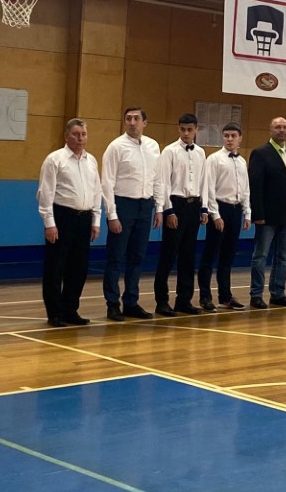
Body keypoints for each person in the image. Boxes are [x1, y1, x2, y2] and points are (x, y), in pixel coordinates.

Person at [37, 118, 102, 327]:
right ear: (66, 136)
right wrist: (49, 223)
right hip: (62, 216)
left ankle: (70, 310)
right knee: (56, 266)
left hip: (84, 218)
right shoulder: (55, 160)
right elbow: (45, 193)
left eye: (83, 134)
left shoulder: (91, 161)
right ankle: (55, 313)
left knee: (79, 267)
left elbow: (97, 191)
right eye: (76, 134)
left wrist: (96, 220)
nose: (80, 138)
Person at [101, 107, 162, 322]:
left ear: (145, 122)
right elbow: (107, 182)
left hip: (146, 206)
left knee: (137, 256)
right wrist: (112, 214)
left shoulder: (153, 146)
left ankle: (131, 302)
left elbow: (157, 178)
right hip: (123, 205)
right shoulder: (116, 147)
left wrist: (159, 208)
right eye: (128, 119)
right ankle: (112, 304)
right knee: (116, 257)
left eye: (136, 119)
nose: (132, 122)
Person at [153, 114, 208, 316]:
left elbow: (203, 181)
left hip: (194, 206)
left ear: (196, 130)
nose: (186, 133)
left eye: (190, 129)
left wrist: (204, 208)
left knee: (188, 255)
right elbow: (163, 182)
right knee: (168, 255)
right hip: (176, 205)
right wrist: (168, 210)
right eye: (183, 129)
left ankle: (184, 300)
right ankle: (162, 302)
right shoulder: (169, 151)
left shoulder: (200, 152)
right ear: (178, 129)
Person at [248, 117, 286, 309]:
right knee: (260, 256)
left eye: (285, 127)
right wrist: (257, 214)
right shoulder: (260, 153)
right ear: (270, 131)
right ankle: (256, 295)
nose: (281, 130)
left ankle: (278, 293)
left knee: (283, 257)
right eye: (277, 127)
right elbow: (255, 186)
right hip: (267, 216)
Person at [198, 123, 251, 312]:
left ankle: (225, 296)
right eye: (226, 135)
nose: (229, 139)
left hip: (236, 210)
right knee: (210, 254)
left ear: (240, 138)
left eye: (233, 136)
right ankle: (205, 297)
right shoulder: (214, 159)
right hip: (219, 208)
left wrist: (247, 213)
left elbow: (245, 188)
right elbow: (209, 188)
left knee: (228, 256)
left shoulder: (242, 161)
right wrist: (215, 214)